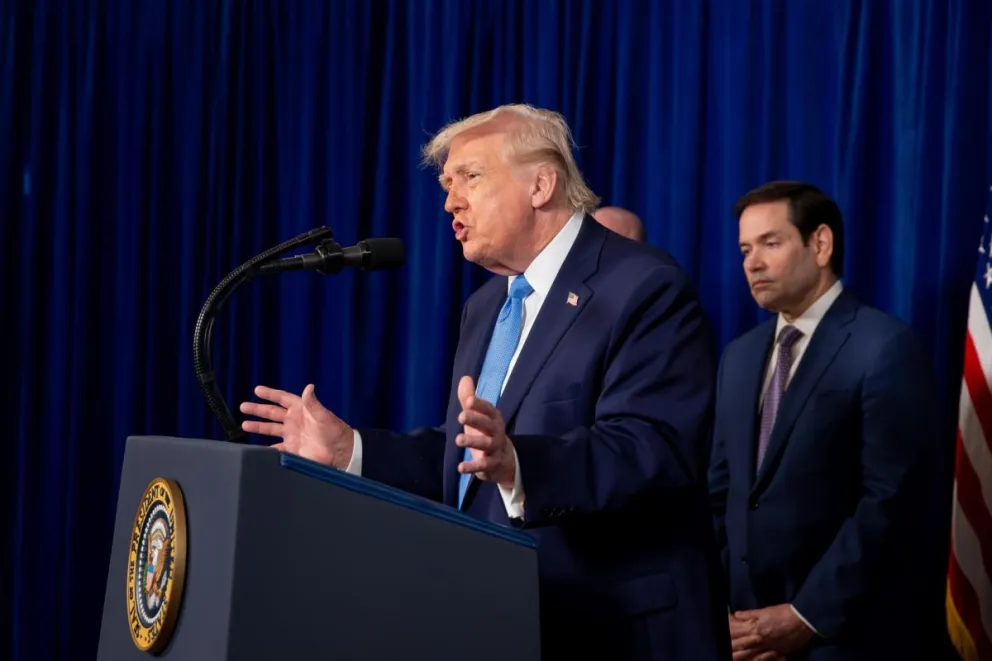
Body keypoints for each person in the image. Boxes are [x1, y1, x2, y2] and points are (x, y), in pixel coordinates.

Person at [241, 103, 731, 660]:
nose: (450, 201)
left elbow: (653, 448)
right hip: (505, 621)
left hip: (617, 632)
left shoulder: (643, 285)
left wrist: (520, 464)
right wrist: (351, 450)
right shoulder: (487, 304)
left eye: (469, 177)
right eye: (447, 185)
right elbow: (469, 457)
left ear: (540, 185)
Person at [708, 181, 940, 660]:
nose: (752, 263)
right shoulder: (738, 356)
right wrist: (732, 615)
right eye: (745, 249)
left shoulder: (885, 347)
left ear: (820, 244)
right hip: (745, 638)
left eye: (770, 243)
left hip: (842, 637)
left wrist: (803, 617)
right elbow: (721, 493)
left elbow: (889, 503)